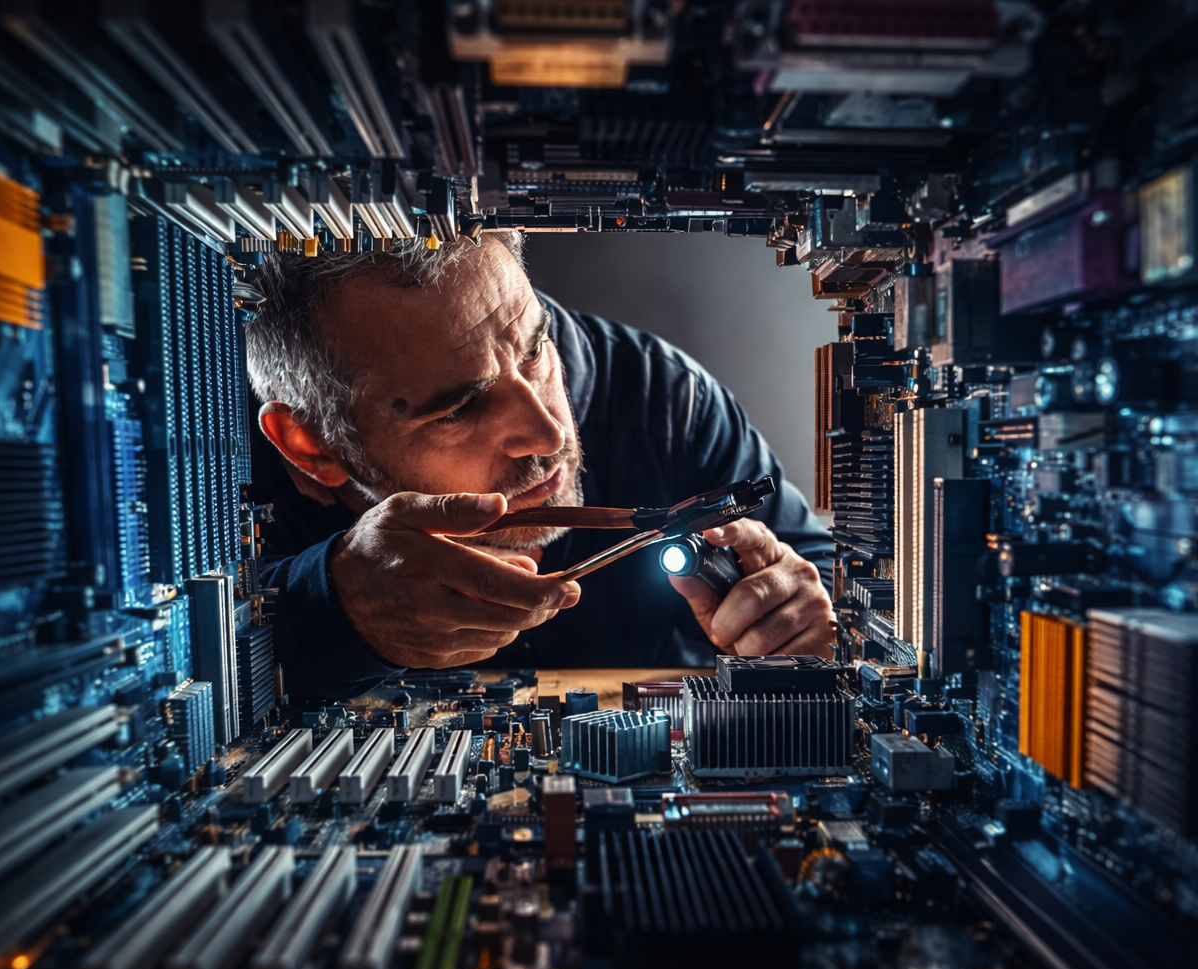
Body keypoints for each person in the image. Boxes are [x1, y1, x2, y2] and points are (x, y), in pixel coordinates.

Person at [244, 232, 835, 700]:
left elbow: (834, 586)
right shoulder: (217, 477)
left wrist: (797, 619)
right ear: (310, 445)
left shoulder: (665, 401)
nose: (548, 432)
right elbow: (167, 684)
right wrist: (328, 611)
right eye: (459, 408)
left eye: (534, 351)